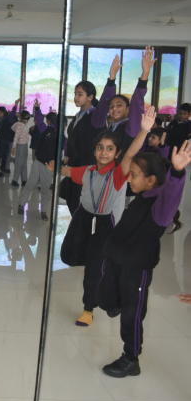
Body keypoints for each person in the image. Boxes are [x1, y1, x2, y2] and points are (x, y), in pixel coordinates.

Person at [97, 132, 191, 378]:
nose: (129, 178)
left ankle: (131, 358)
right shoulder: (142, 196)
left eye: (134, 175)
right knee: (106, 300)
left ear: (151, 181)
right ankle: (115, 304)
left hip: (135, 268)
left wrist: (177, 172)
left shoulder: (160, 208)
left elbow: (171, 193)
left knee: (132, 314)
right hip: (116, 260)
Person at [59, 107, 153, 327]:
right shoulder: (87, 171)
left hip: (105, 225)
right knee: (68, 255)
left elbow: (131, 154)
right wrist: (54, 167)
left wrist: (144, 131)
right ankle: (102, 268)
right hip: (83, 220)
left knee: (92, 270)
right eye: (100, 147)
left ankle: (88, 309)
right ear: (94, 151)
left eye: (110, 149)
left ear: (117, 154)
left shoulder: (119, 174)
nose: (104, 152)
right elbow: (68, 171)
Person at [61, 77, 109, 215]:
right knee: (72, 201)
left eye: (80, 94)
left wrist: (111, 79)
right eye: (75, 94)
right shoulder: (78, 116)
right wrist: (67, 155)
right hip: (74, 166)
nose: (76, 98)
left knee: (81, 206)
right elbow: (72, 140)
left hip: (87, 168)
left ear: (90, 97)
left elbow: (106, 101)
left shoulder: (96, 117)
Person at [18, 109, 58, 220]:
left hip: (45, 165)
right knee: (41, 188)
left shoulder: (55, 133)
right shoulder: (50, 131)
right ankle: (27, 207)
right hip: (42, 163)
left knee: (36, 187)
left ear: (48, 120)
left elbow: (39, 120)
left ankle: (34, 209)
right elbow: (39, 121)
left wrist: (37, 109)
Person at [11, 108, 31, 187]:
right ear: (21, 117)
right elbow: (16, 137)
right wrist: (14, 148)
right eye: (26, 118)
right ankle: (15, 180)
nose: (27, 120)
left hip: (25, 145)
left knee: (24, 163)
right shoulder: (19, 125)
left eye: (28, 118)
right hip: (20, 146)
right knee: (19, 163)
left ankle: (24, 180)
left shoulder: (24, 125)